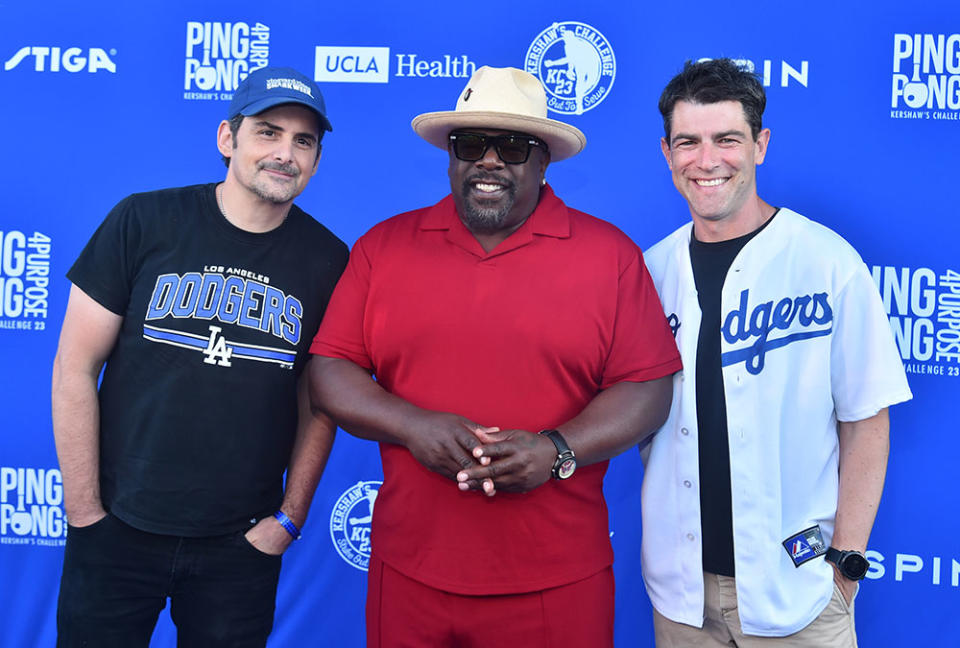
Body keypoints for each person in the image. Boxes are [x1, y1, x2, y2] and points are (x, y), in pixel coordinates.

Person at [309, 65, 682, 647]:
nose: (489, 161)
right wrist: (411, 426)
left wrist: (557, 450)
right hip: (409, 572)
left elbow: (648, 387)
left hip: (557, 581)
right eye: (471, 144)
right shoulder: (383, 247)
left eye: (511, 146)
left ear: (543, 160)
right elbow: (331, 369)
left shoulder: (609, 256)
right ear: (451, 156)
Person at [51, 66, 348, 648]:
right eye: (268, 131)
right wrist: (85, 510)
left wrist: (288, 521)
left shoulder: (329, 260)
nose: (285, 153)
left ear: (315, 160)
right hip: (117, 528)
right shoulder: (143, 221)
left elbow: (320, 402)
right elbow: (74, 368)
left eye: (303, 141)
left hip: (240, 544)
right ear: (226, 138)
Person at [641, 58, 913, 647]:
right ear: (667, 153)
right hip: (682, 597)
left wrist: (846, 563)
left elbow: (867, 421)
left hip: (802, 591)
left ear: (760, 145)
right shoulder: (650, 271)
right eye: (688, 141)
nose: (706, 160)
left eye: (727, 139)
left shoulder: (825, 260)